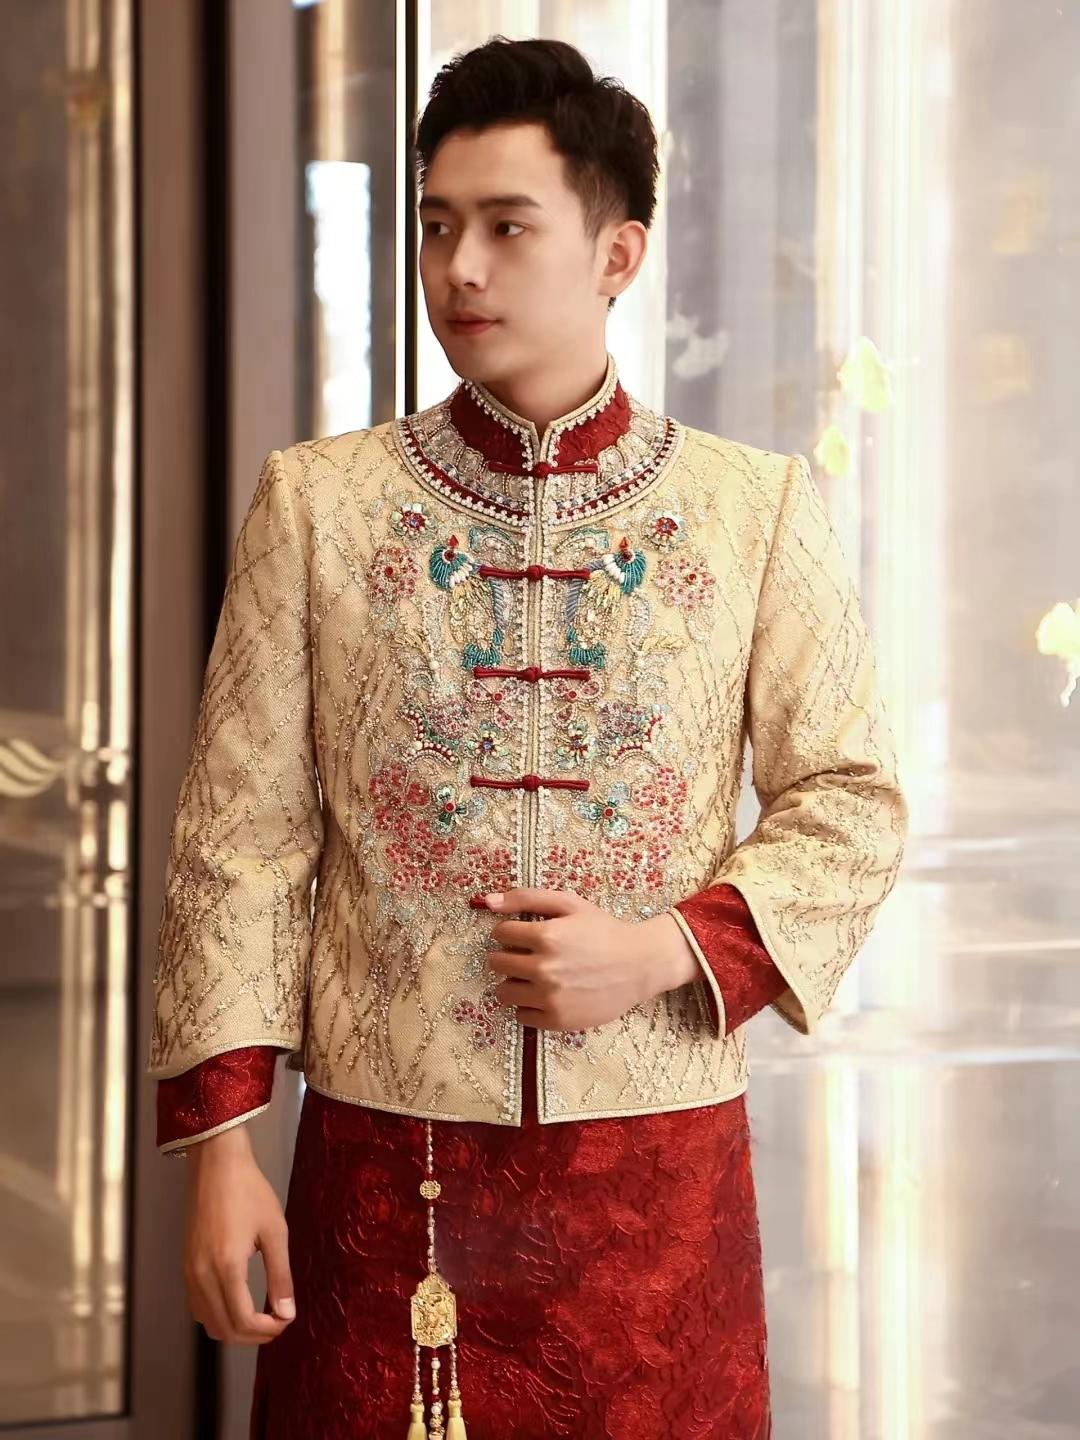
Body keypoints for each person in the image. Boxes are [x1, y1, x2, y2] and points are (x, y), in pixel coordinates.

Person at [148, 35, 908, 1440]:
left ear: (617, 254)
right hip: (388, 1179)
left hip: (657, 1191)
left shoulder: (754, 511)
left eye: (507, 227)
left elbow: (851, 802)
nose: (461, 270)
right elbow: (239, 838)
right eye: (438, 226)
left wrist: (667, 948)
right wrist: (224, 1148)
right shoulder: (318, 506)